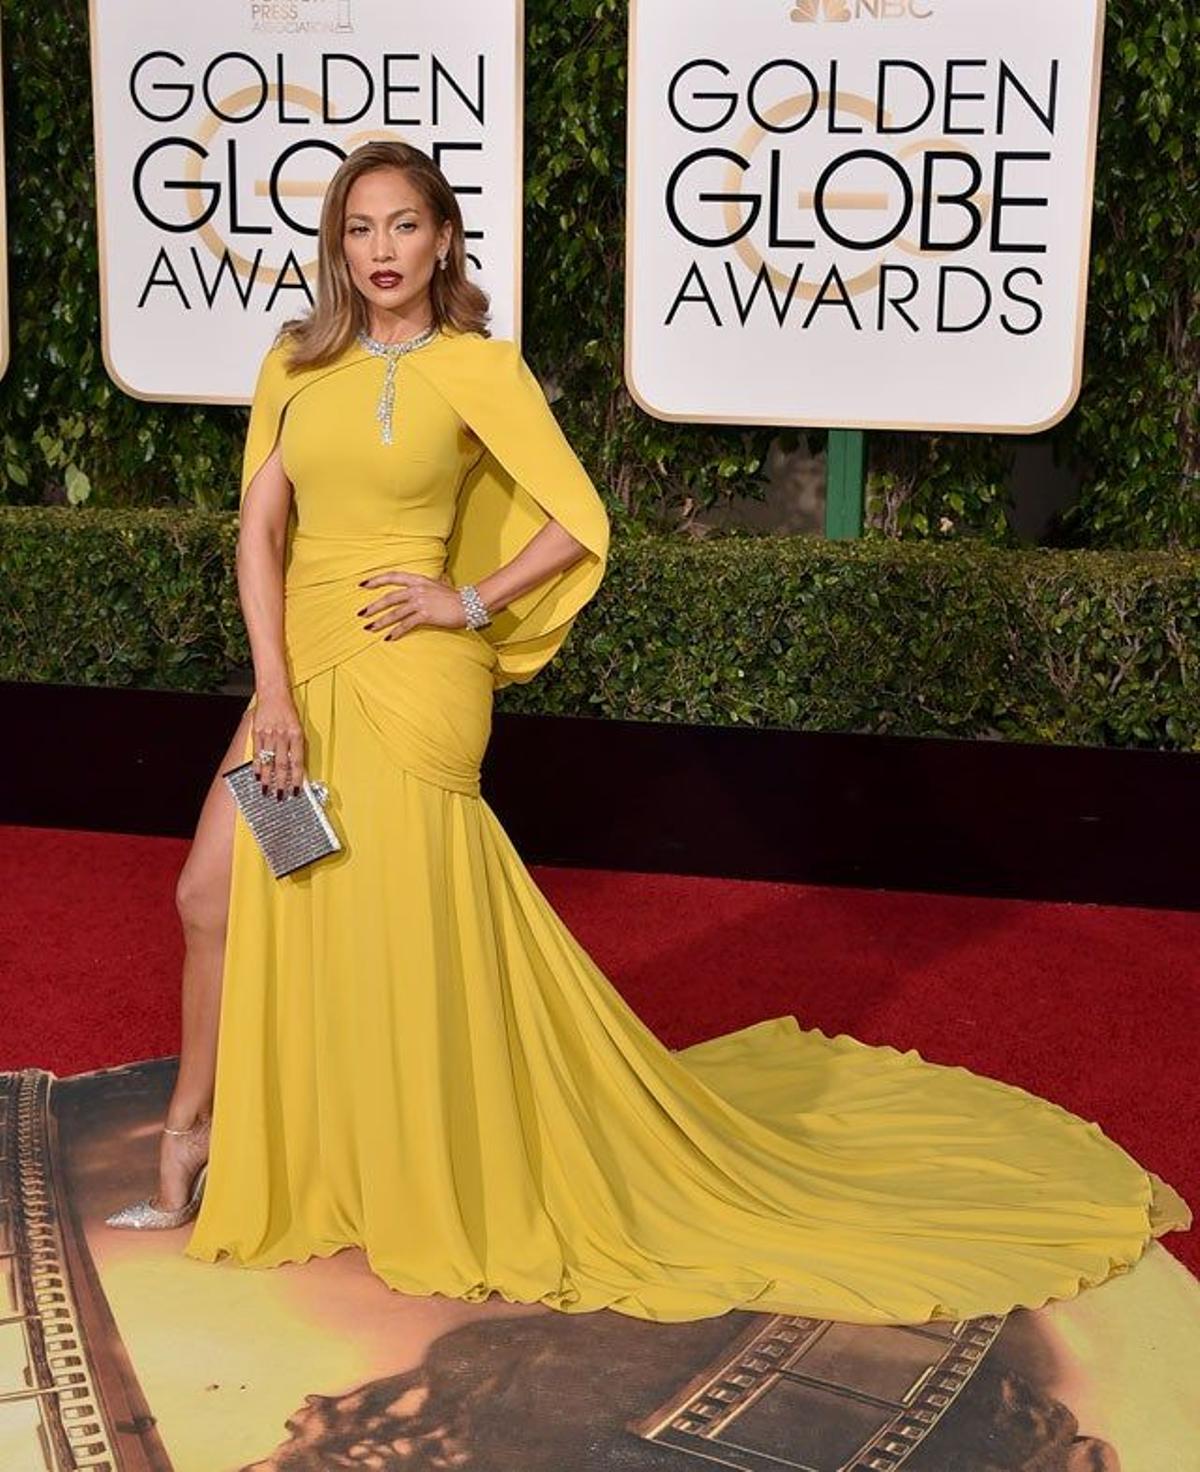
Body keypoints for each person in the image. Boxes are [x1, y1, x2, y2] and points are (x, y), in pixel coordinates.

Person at [105, 141, 1192, 1325]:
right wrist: (270, 686)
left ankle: (339, 1150)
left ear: (444, 239)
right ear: (337, 243)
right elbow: (259, 529)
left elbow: (578, 516)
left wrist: (464, 600)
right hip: (300, 662)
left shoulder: (479, 366)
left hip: (414, 671)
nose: (381, 251)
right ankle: (206, 1126)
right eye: (360, 228)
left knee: (389, 912)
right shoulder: (295, 361)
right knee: (214, 891)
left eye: (403, 226)